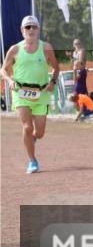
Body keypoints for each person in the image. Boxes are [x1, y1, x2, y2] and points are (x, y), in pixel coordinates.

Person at [1, 15, 60, 174]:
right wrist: (9, 80)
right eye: (28, 27)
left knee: (39, 133)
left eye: (34, 27)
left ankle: (32, 139)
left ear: (39, 29)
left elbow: (56, 67)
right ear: (22, 31)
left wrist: (52, 82)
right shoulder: (15, 49)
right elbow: (3, 69)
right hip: (21, 92)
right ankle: (32, 161)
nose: (31, 30)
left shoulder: (46, 47)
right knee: (27, 127)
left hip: (41, 94)